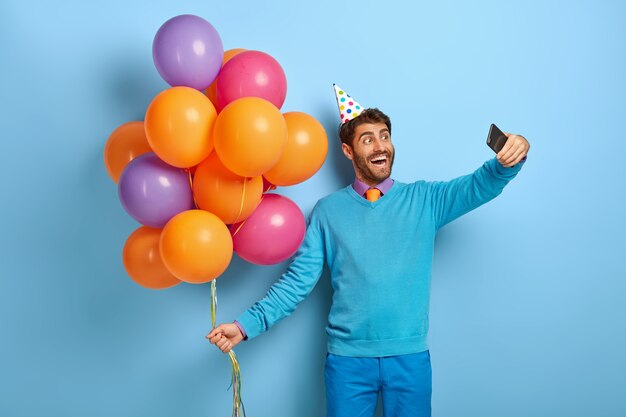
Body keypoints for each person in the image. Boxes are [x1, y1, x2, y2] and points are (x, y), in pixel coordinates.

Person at [207, 84, 530, 417]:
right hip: (347, 364)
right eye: (368, 139)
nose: (381, 146)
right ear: (348, 151)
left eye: (385, 136)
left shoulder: (425, 200)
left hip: (410, 359)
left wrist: (512, 156)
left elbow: (481, 185)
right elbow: (296, 283)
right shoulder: (326, 212)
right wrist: (246, 325)